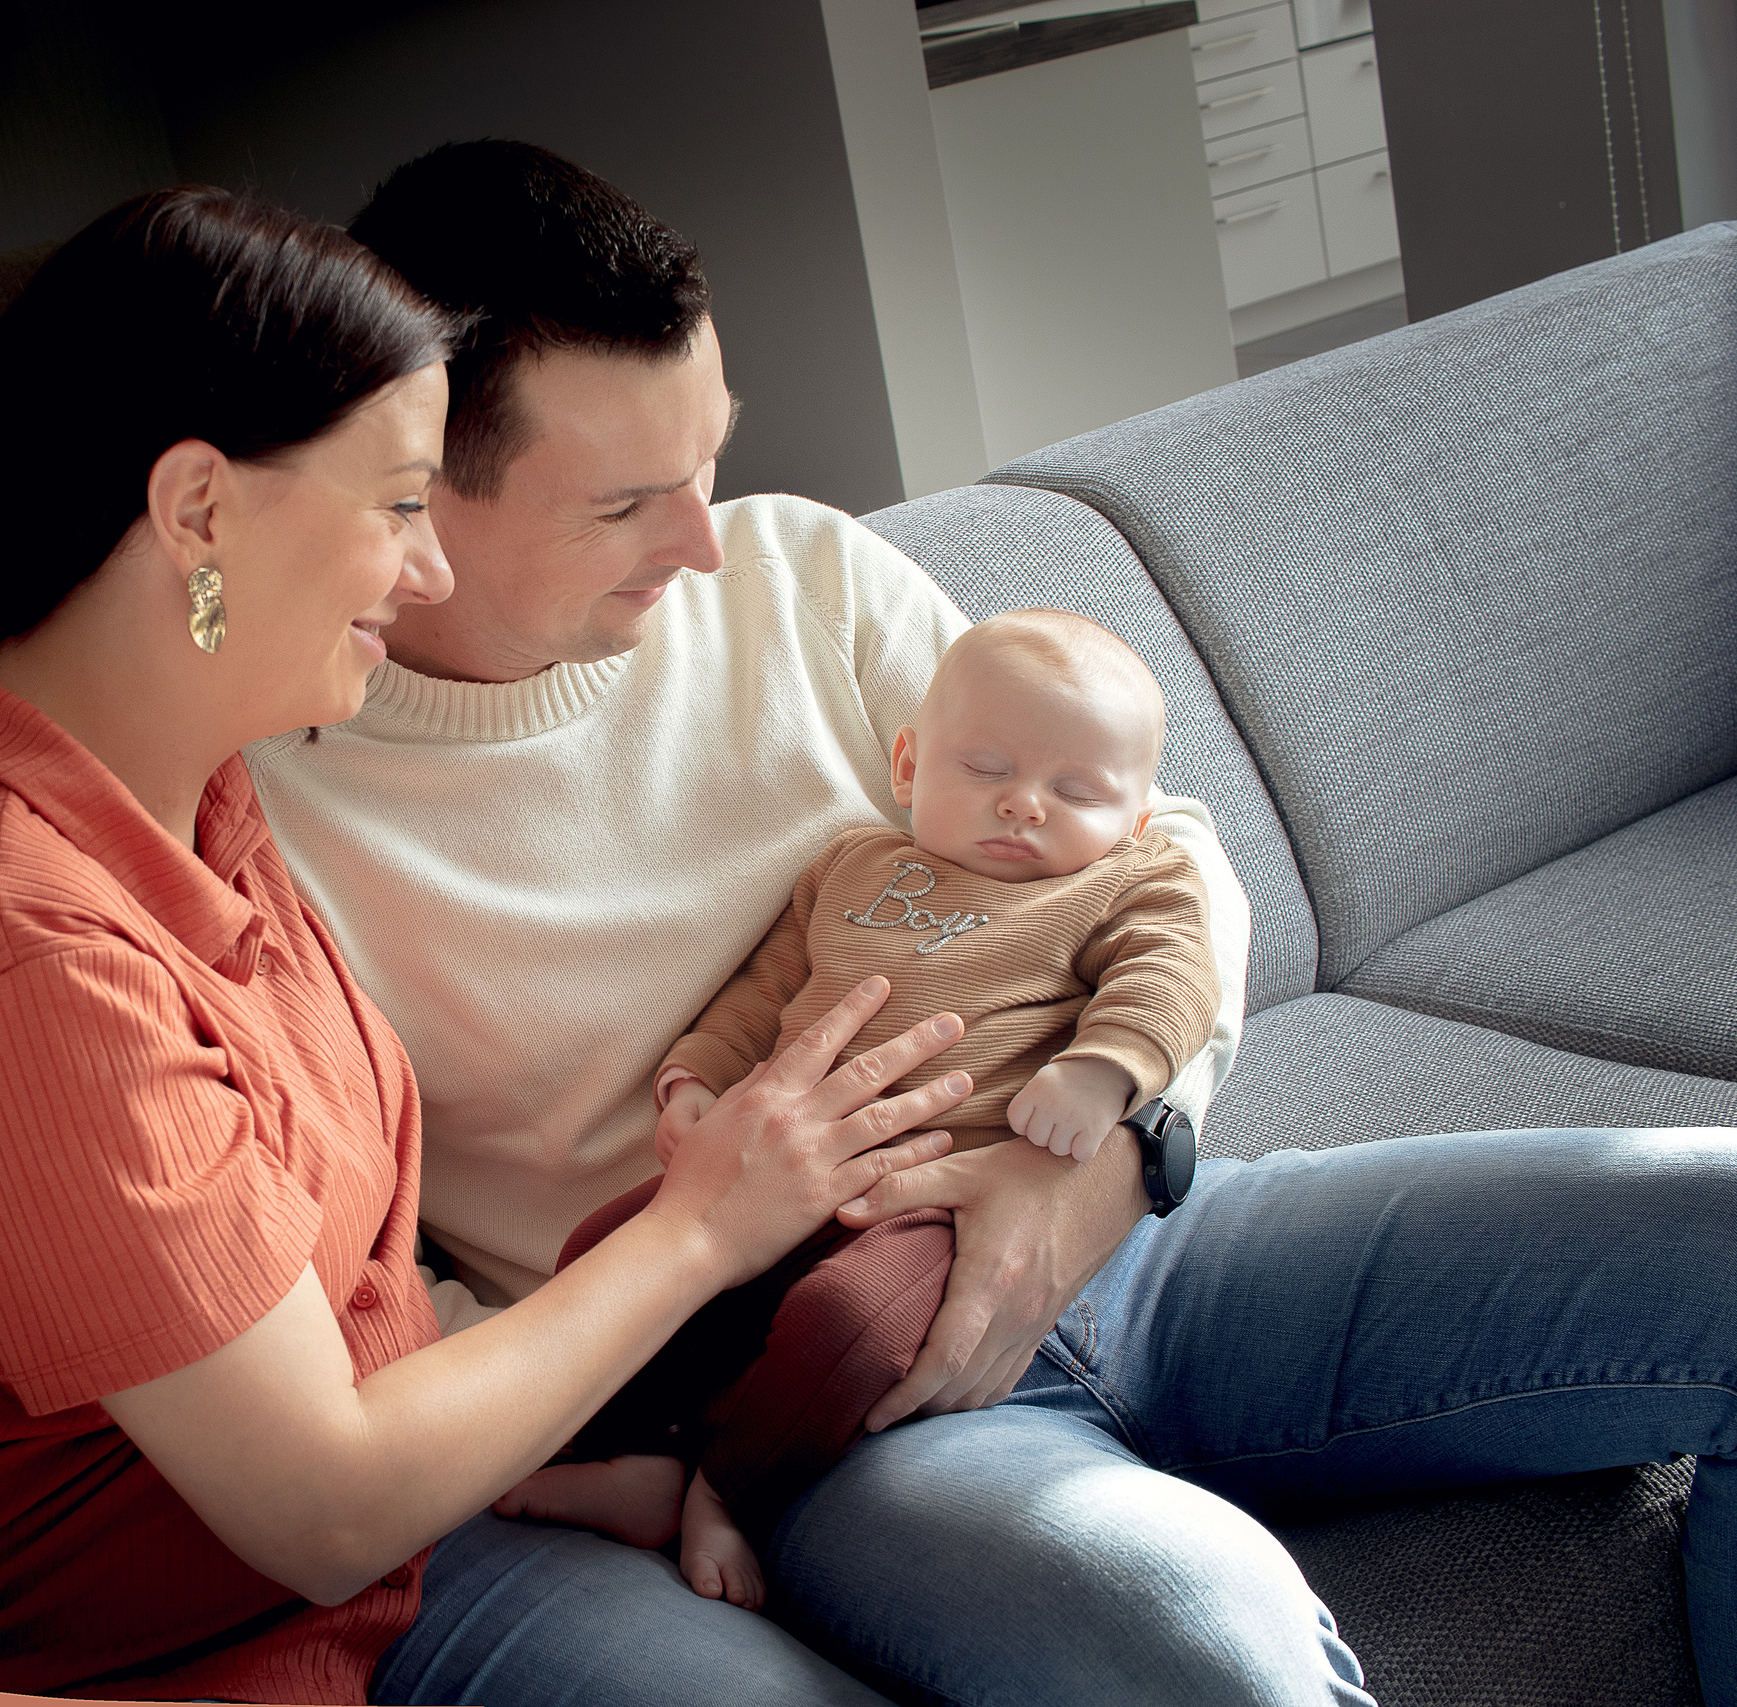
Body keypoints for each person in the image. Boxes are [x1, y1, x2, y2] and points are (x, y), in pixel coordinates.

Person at [245, 140, 1737, 1705]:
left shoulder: (798, 571)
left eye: (710, 460)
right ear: (420, 489)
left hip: (1145, 1240)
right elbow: (376, 1301)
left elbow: (1169, 864)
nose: (703, 541)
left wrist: (1074, 1170)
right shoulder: (285, 818)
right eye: (627, 503)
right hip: (833, 1405)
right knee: (1206, 1657)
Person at [0, 184, 981, 1705]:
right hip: (178, 1641)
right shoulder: (31, 948)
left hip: (434, 1514)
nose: (426, 575)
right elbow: (320, 1505)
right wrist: (702, 1228)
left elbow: (342, 1291)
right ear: (198, 510)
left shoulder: (175, 751)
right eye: (401, 505)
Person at [510, 608, 1218, 1609]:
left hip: (944, 1199)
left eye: (1074, 792)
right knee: (605, 1250)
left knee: (843, 1326)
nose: (1022, 806)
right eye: (985, 769)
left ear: (1136, 818)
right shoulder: (849, 870)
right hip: (776, 1176)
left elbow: (1172, 977)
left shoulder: (1127, 883)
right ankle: (636, 1458)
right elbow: (760, 993)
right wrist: (695, 1081)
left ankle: (728, 1489)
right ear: (908, 764)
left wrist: (1103, 1070)